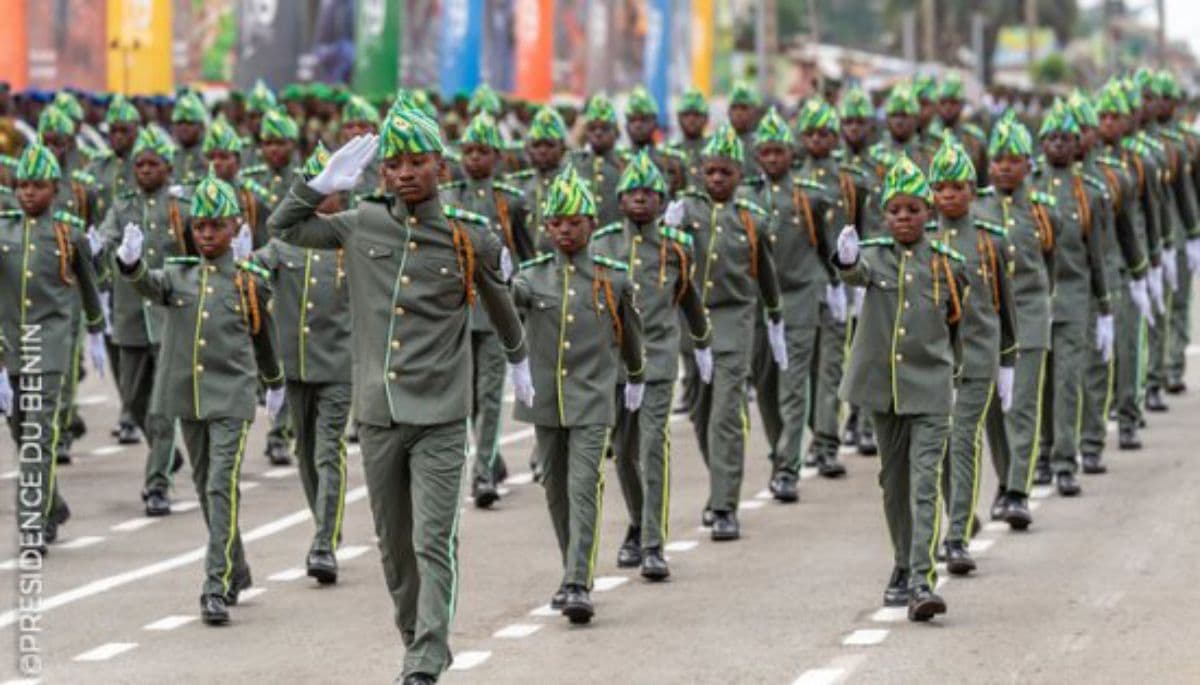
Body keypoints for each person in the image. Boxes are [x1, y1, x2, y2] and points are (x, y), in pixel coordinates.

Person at [266, 108, 530, 685]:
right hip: (380, 412)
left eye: (417, 162)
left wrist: (519, 358)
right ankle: (415, 635)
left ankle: (427, 655)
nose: (405, 173)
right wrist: (317, 186)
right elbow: (281, 231)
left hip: (440, 413)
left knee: (434, 539)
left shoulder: (468, 234)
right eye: (394, 164)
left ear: (441, 165)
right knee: (393, 545)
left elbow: (500, 300)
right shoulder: (361, 224)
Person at [115, 169, 282, 625]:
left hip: (232, 394)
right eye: (200, 226)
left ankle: (214, 584)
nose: (206, 233)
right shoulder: (178, 274)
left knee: (219, 484)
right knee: (207, 485)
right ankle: (239, 567)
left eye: (216, 225)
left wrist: (276, 383)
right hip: (188, 393)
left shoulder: (250, 279)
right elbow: (148, 285)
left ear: (234, 228)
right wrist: (130, 264)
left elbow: (264, 337)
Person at [833, 154, 965, 622]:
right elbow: (854, 274)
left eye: (913, 209)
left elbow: (962, 323)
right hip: (882, 389)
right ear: (884, 215)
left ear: (928, 212)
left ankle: (921, 580)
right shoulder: (873, 254)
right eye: (895, 211)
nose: (904, 218)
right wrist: (846, 257)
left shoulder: (948, 264)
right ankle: (903, 561)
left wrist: (972, 372)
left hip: (930, 387)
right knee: (894, 482)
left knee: (924, 482)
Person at [512, 166, 644, 622]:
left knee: (583, 484)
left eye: (574, 222)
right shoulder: (532, 278)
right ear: (546, 229)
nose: (565, 230)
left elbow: (630, 332)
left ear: (591, 224)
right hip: (546, 398)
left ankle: (576, 581)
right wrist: (499, 282)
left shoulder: (614, 278)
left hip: (592, 396)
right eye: (556, 223)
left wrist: (638, 375)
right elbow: (509, 308)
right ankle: (573, 564)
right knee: (556, 489)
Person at [591, 150, 711, 577]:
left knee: (652, 448)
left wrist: (702, 343)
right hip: (616, 362)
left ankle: (654, 544)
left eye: (649, 193)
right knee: (623, 453)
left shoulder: (677, 247)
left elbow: (690, 297)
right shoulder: (602, 244)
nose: (640, 200)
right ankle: (638, 520)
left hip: (658, 358)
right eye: (632, 193)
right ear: (620, 200)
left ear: (662, 201)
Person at [676, 123, 785, 541]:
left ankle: (724, 505)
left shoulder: (752, 218)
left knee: (725, 413)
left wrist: (774, 318)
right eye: (711, 171)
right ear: (701, 172)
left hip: (735, 321)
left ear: (740, 175)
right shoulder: (685, 210)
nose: (717, 179)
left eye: (726, 172)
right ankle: (719, 478)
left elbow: (767, 275)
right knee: (700, 411)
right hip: (693, 322)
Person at [252, 143, 351, 584]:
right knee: (306, 452)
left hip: (339, 365)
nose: (320, 197)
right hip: (293, 364)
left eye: (326, 189)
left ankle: (324, 542)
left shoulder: (352, 239)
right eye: (312, 188)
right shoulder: (281, 244)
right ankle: (326, 524)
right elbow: (250, 281)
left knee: (329, 451)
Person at [1, 143, 106, 553]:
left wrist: (97, 330)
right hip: (10, 344)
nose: (28, 193)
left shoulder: (69, 234)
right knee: (19, 429)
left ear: (55, 189)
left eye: (38, 186)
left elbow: (89, 286)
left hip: (49, 343)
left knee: (37, 434)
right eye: (22, 185)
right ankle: (52, 503)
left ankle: (30, 522)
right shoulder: (5, 229)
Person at [926, 135, 1016, 574]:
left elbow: (1006, 303)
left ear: (971, 189)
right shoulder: (920, 240)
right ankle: (962, 512)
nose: (949, 195)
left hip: (979, 354)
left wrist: (1009, 360)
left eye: (958, 187)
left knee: (964, 441)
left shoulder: (988, 241)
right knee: (941, 445)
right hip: (934, 362)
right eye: (941, 188)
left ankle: (957, 536)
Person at [439, 112, 533, 507]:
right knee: (471, 398)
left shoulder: (510, 200)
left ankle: (482, 474)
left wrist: (520, 294)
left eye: (483, 152)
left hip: (495, 309)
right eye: (469, 151)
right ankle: (489, 458)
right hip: (460, 310)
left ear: (497, 156)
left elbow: (526, 256)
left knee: (491, 394)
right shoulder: (449, 197)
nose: (475, 159)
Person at [98, 127, 192, 516]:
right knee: (133, 399)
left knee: (161, 406)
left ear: (168, 167)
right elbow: (106, 236)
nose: (146, 171)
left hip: (167, 313)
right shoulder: (122, 206)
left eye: (154, 164)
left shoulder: (181, 206)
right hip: (130, 313)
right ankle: (165, 454)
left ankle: (157, 485)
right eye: (140, 164)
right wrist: (100, 248)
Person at [744, 107, 837, 501]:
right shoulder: (745, 199)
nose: (773, 158)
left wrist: (836, 286)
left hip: (800, 298)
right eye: (766, 152)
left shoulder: (809, 197)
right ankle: (778, 446)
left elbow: (829, 248)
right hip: (759, 305)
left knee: (793, 386)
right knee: (764, 386)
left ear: (790, 153)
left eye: (779, 151)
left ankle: (788, 467)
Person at [1033, 100, 1111, 497]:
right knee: (1040, 384)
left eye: (1067, 138)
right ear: (1042, 142)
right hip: (1034, 303)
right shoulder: (1028, 188)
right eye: (1052, 138)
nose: (1060, 145)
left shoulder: (1089, 192)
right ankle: (1042, 455)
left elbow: (1096, 254)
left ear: (1077, 144)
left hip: (1074, 299)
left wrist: (1106, 306)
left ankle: (1066, 460)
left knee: (1066, 382)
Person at [797, 98, 854, 478]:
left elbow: (858, 229)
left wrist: (853, 280)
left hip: (838, 284)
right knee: (809, 370)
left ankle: (828, 442)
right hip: (804, 288)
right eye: (811, 133)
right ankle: (816, 435)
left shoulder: (847, 180)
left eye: (825, 133)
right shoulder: (793, 178)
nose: (818, 140)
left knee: (832, 365)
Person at [506, 106, 571, 256]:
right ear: (528, 149)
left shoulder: (574, 187)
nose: (542, 151)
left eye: (549, 145)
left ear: (563, 148)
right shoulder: (515, 186)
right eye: (537, 145)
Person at [569, 94, 623, 228]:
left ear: (615, 132)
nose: (598, 133)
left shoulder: (625, 166)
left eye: (605, 128)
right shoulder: (575, 164)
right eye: (592, 128)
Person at [671, 88, 710, 192]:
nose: (691, 119)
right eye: (686, 115)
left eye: (697, 115)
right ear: (678, 118)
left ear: (706, 118)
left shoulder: (715, 151)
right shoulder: (669, 152)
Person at [171, 91, 210, 185]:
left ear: (201, 126)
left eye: (190, 123)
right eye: (179, 123)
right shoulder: (169, 156)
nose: (183, 128)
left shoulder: (211, 155)